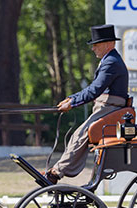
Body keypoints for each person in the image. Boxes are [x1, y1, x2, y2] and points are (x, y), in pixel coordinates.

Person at [45, 24, 129, 184]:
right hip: (106, 107)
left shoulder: (111, 62)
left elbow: (95, 90)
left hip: (111, 108)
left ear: (108, 44)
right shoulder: (110, 60)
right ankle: (58, 170)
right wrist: (71, 99)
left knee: (81, 134)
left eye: (96, 45)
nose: (93, 49)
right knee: (78, 134)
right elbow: (93, 88)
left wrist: (73, 103)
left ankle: (56, 173)